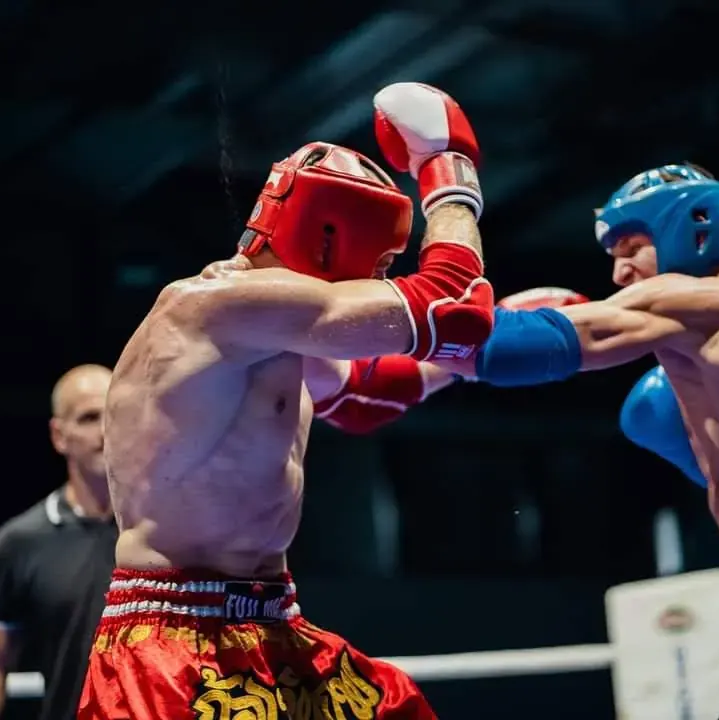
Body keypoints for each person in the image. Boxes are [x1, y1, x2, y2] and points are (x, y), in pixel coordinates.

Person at [416, 163, 719, 719]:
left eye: (632, 247)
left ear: (693, 230)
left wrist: (405, 327)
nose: (620, 272)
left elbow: (501, 349)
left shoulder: (698, 303)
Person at [77, 82, 492, 720]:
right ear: (327, 240)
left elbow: (361, 395)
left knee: (400, 708)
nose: (381, 279)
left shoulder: (277, 332)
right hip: (176, 641)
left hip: (276, 625)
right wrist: (448, 172)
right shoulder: (218, 307)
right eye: (381, 261)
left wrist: (493, 355)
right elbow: (454, 307)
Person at [0, 364, 118, 720]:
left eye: (115, 414)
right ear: (59, 436)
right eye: (89, 418)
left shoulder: (170, 531)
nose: (106, 430)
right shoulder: (24, 541)